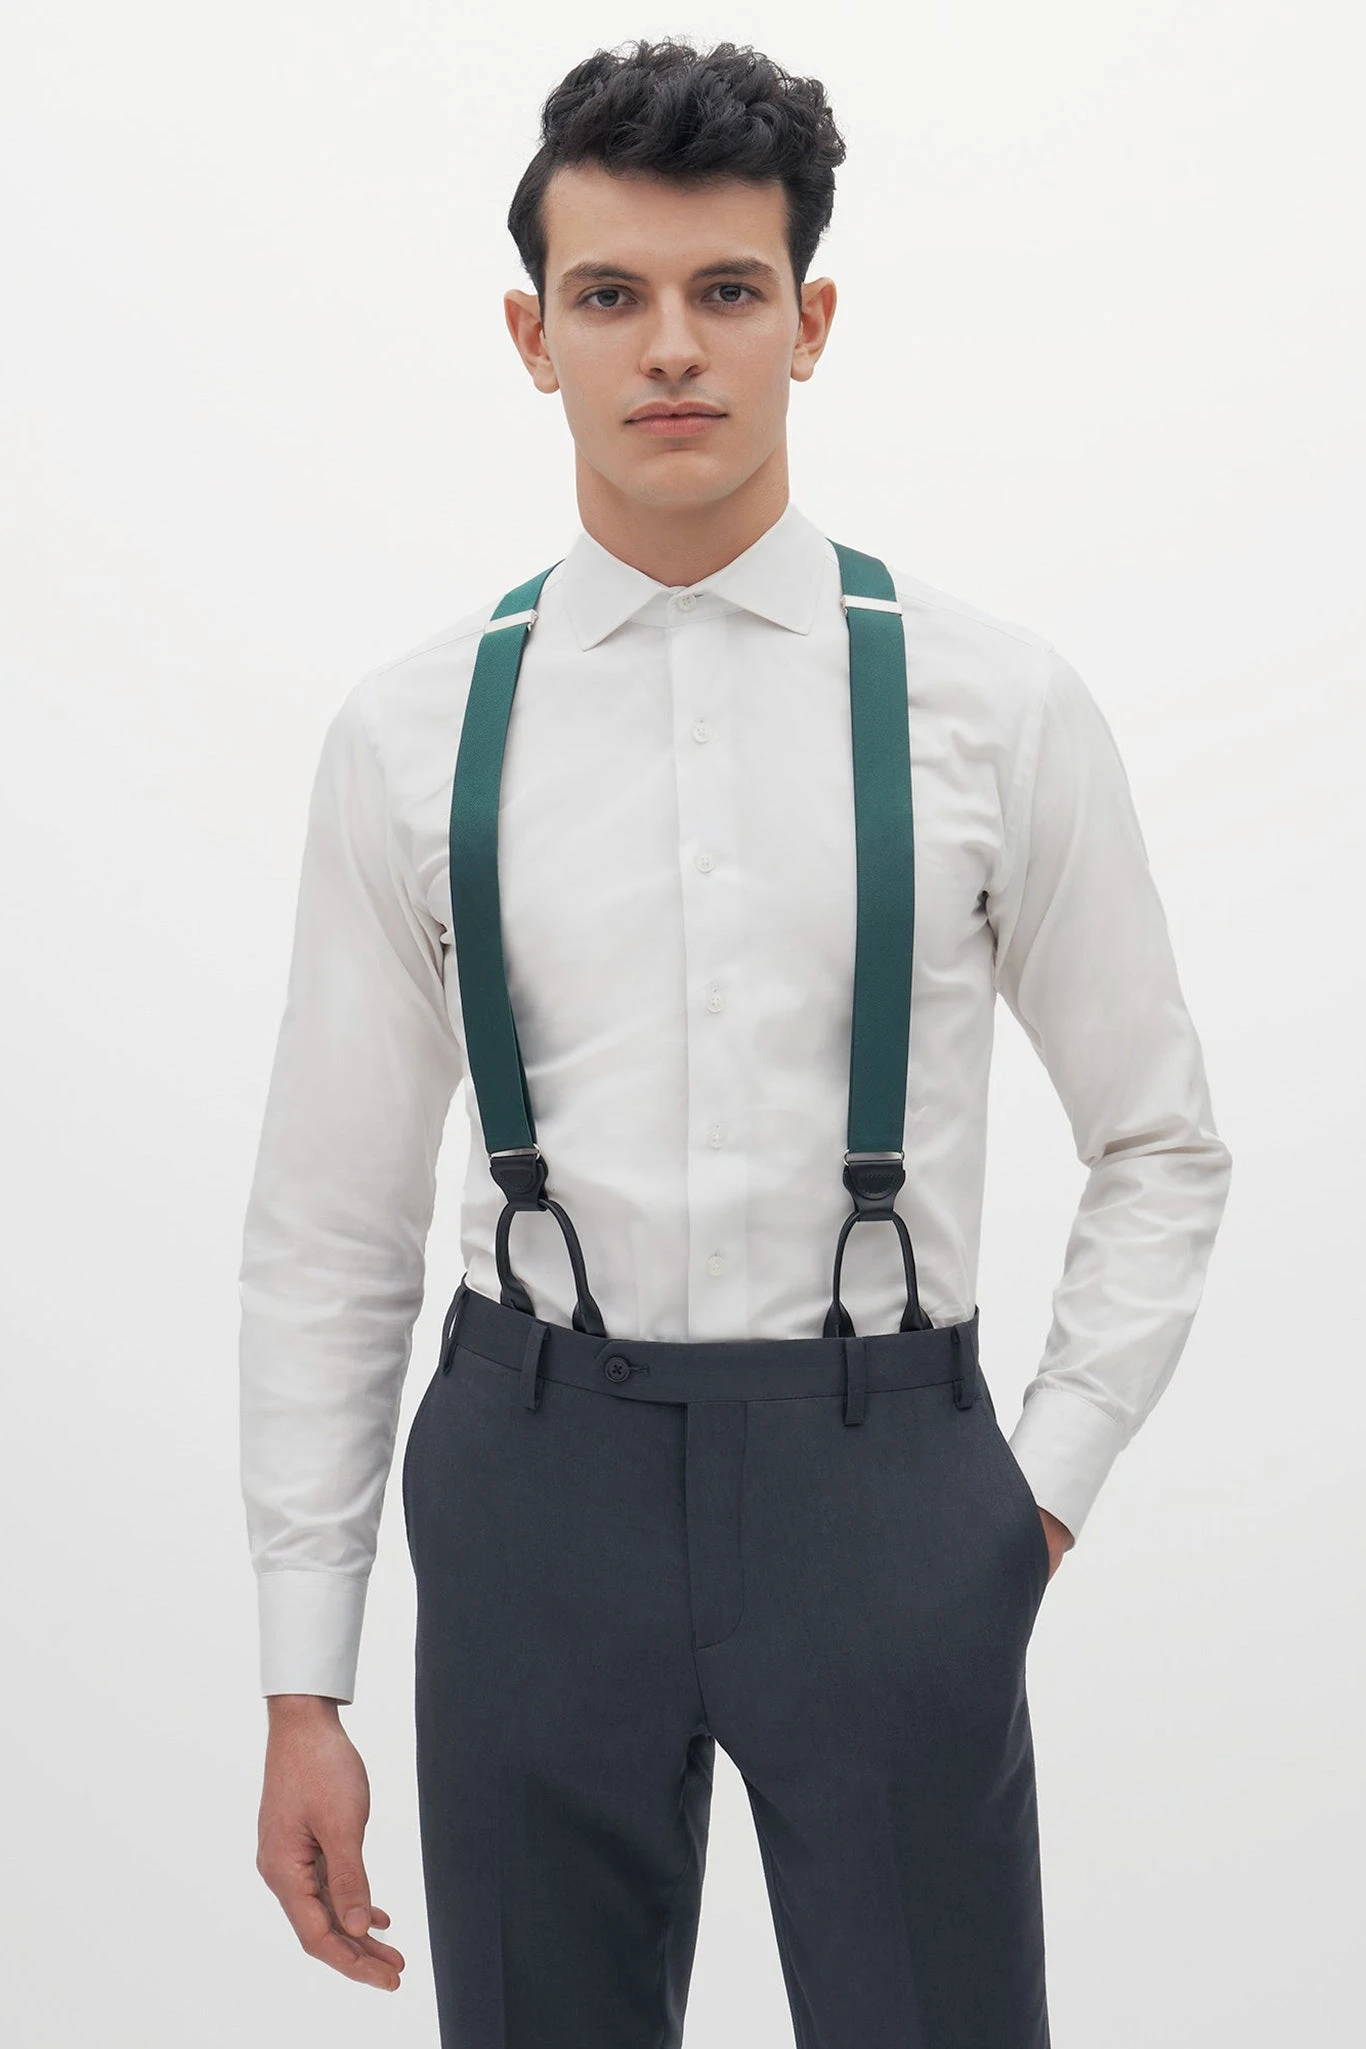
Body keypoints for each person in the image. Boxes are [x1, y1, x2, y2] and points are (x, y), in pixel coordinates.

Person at [240, 36, 1232, 2048]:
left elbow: (1159, 1139)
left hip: (888, 1484)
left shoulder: (989, 705)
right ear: (532, 335)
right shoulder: (412, 733)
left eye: (727, 290)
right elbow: (329, 1225)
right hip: (531, 1487)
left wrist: (1028, 1494)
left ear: (811, 321)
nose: (671, 347)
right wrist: (300, 1675)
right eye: (610, 294)